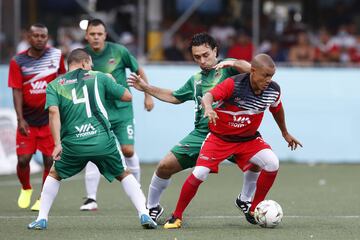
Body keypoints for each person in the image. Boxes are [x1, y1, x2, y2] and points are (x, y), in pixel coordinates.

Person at [127, 32, 257, 223]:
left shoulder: (230, 69)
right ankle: (152, 207)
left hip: (232, 133)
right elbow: (174, 97)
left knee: (256, 163)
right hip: (203, 134)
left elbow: (253, 70)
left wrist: (231, 62)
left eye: (206, 55)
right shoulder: (195, 79)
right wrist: (146, 88)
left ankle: (244, 200)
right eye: (197, 57)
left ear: (215, 50)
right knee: (164, 167)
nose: (202, 61)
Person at [162, 54, 303, 229]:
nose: (268, 80)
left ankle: (253, 208)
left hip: (248, 140)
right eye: (265, 75)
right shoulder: (233, 84)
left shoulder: (273, 90)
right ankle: (176, 216)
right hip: (220, 139)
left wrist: (285, 133)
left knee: (272, 163)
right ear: (253, 71)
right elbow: (209, 96)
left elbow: (277, 109)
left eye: (271, 76)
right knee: (200, 173)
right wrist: (208, 108)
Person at [27, 49, 157, 230]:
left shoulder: (55, 84)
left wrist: (57, 144)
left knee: (54, 175)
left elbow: (53, 112)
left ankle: (42, 218)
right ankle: (143, 213)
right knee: (124, 173)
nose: (92, 67)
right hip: (102, 141)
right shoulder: (99, 77)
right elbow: (127, 97)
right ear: (85, 63)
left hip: (73, 144)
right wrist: (111, 81)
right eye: (90, 64)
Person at [80, 19, 154, 211]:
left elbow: (139, 71)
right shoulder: (82, 56)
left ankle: (137, 190)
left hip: (122, 110)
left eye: (99, 34)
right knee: (93, 151)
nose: (96, 37)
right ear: (87, 35)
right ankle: (90, 199)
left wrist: (148, 95)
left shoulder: (119, 51)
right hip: (97, 111)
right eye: (92, 34)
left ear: (105, 35)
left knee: (128, 150)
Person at [8, 23, 66, 211]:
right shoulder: (18, 61)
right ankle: (26, 188)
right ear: (28, 37)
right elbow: (16, 90)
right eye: (36, 36)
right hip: (28, 121)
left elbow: (63, 81)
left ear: (47, 38)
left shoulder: (56, 56)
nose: (40, 39)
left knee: (50, 160)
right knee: (23, 160)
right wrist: (20, 118)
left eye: (43, 36)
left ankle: (42, 197)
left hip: (49, 120)